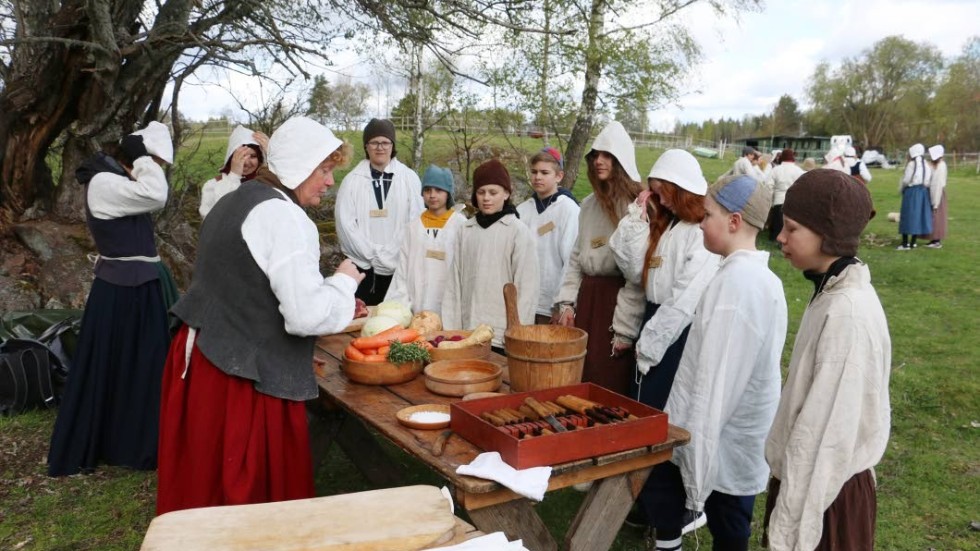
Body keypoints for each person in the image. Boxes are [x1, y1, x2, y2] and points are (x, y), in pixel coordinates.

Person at [156, 117, 364, 515]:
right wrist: (343, 283)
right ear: (301, 166)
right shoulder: (286, 218)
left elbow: (246, 290)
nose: (329, 181)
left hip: (203, 358)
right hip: (238, 379)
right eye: (324, 170)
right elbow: (303, 315)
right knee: (250, 504)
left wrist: (291, 351)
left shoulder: (235, 197)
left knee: (205, 490)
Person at [644, 175, 787, 551]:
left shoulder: (737, 286)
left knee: (729, 525)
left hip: (725, 435)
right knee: (729, 519)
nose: (701, 222)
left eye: (708, 215)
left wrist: (698, 461)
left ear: (735, 222)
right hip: (733, 434)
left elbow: (715, 379)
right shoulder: (757, 277)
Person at [764, 169, 891, 551]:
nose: (780, 238)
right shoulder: (833, 292)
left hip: (823, 497)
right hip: (813, 487)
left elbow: (823, 440)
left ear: (828, 234)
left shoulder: (847, 314)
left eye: (792, 228)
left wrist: (790, 532)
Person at [48, 121, 176, 476]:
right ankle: (112, 444)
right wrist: (143, 160)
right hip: (120, 291)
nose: (159, 169)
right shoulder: (104, 183)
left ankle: (133, 442)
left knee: (141, 368)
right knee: (113, 367)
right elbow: (157, 194)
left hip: (138, 287)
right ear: (138, 157)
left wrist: (141, 162)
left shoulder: (116, 180)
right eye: (157, 161)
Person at [609, 149, 720, 410]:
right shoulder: (666, 224)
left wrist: (651, 342)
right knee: (641, 402)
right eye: (656, 192)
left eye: (664, 193)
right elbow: (634, 270)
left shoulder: (698, 233)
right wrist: (638, 217)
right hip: (652, 318)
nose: (660, 199)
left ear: (681, 190)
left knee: (664, 404)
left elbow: (686, 295)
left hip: (676, 327)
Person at [553, 121, 645, 396]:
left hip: (616, 304)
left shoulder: (636, 206)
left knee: (609, 381)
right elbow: (576, 257)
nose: (599, 162)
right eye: (595, 156)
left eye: (607, 155)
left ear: (621, 159)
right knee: (578, 378)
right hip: (588, 299)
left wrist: (625, 329)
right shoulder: (588, 205)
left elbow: (637, 275)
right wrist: (567, 303)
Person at [442, 159, 539, 349]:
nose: (486, 198)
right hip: (468, 331)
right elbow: (455, 282)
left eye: (493, 192)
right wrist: (453, 330)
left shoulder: (517, 231)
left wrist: (518, 333)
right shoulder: (466, 229)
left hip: (502, 333)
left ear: (506, 194)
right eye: (481, 192)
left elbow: (527, 288)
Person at [335, 118, 423, 304]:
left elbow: (414, 220)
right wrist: (371, 254)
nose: (380, 147)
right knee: (361, 322)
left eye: (385, 142)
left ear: (392, 145)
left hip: (399, 267)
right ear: (366, 146)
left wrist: (390, 254)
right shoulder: (351, 181)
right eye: (374, 142)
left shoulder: (409, 178)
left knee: (395, 321)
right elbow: (345, 224)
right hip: (361, 268)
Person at [384, 165, 467, 314]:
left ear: (448, 193)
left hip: (450, 300)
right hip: (418, 300)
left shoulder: (460, 225)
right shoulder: (413, 227)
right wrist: (400, 304)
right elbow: (403, 267)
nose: (432, 195)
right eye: (427, 190)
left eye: (439, 190)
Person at [516, 147, 580, 324]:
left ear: (558, 176)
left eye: (545, 172)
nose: (538, 177)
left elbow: (571, 260)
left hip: (552, 304)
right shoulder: (522, 211)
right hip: (523, 302)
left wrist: (564, 303)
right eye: (534, 172)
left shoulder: (569, 210)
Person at [198, 125, 268, 219]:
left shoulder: (266, 182)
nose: (246, 162)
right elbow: (211, 220)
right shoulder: (212, 186)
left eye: (253, 156)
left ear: (260, 159)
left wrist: (272, 155)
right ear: (231, 158)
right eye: (241, 156)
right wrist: (234, 176)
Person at [897, 143, 933, 250]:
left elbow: (907, 179)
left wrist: (902, 188)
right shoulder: (926, 164)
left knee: (907, 216)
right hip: (923, 192)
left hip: (912, 192)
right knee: (917, 217)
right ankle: (913, 243)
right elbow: (927, 181)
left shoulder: (912, 164)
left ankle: (905, 243)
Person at [765, 148, 805, 241]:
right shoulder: (798, 171)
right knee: (790, 222)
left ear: (782, 157)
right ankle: (789, 238)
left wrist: (770, 199)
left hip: (778, 199)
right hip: (793, 200)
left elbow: (768, 185)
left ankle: (774, 237)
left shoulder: (776, 170)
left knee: (777, 221)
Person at [921, 145, 947, 249]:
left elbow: (936, 185)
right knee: (933, 217)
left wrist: (935, 203)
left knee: (936, 216)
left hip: (937, 193)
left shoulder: (940, 167)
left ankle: (936, 240)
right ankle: (933, 239)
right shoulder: (935, 165)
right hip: (933, 192)